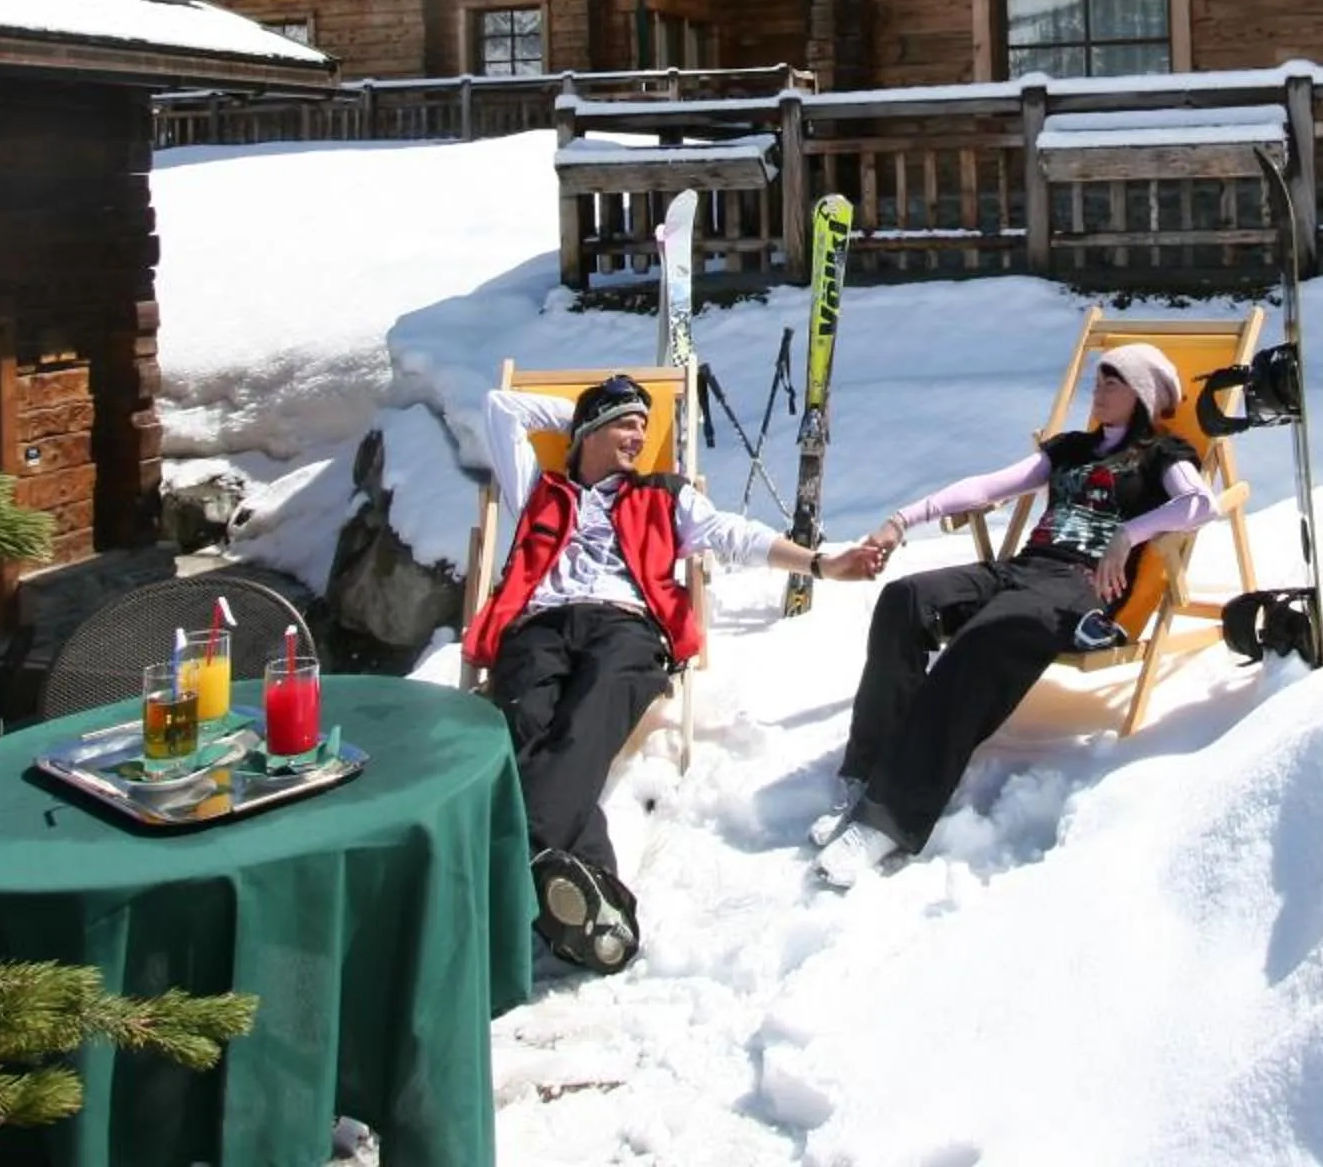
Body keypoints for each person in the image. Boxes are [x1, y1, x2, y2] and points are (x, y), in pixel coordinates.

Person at [465, 371, 886, 971]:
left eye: (645, 425)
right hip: (539, 627)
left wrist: (819, 563)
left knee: (587, 724)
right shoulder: (537, 487)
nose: (641, 436)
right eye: (627, 424)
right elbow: (500, 404)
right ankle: (596, 904)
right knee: (523, 722)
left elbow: (733, 535)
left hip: (625, 627)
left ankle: (509, 858)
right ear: (590, 429)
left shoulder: (664, 493)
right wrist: (582, 416)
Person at [811, 342, 1216, 888]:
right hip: (1023, 569)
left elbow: (1199, 505)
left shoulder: (1163, 455)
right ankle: (867, 772)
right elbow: (988, 486)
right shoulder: (1072, 447)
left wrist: (1129, 533)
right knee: (904, 600)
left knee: (985, 638)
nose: (1096, 389)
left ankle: (890, 818)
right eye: (1096, 378)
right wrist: (899, 520)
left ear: (1141, 396)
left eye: (1111, 381)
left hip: (1079, 589)